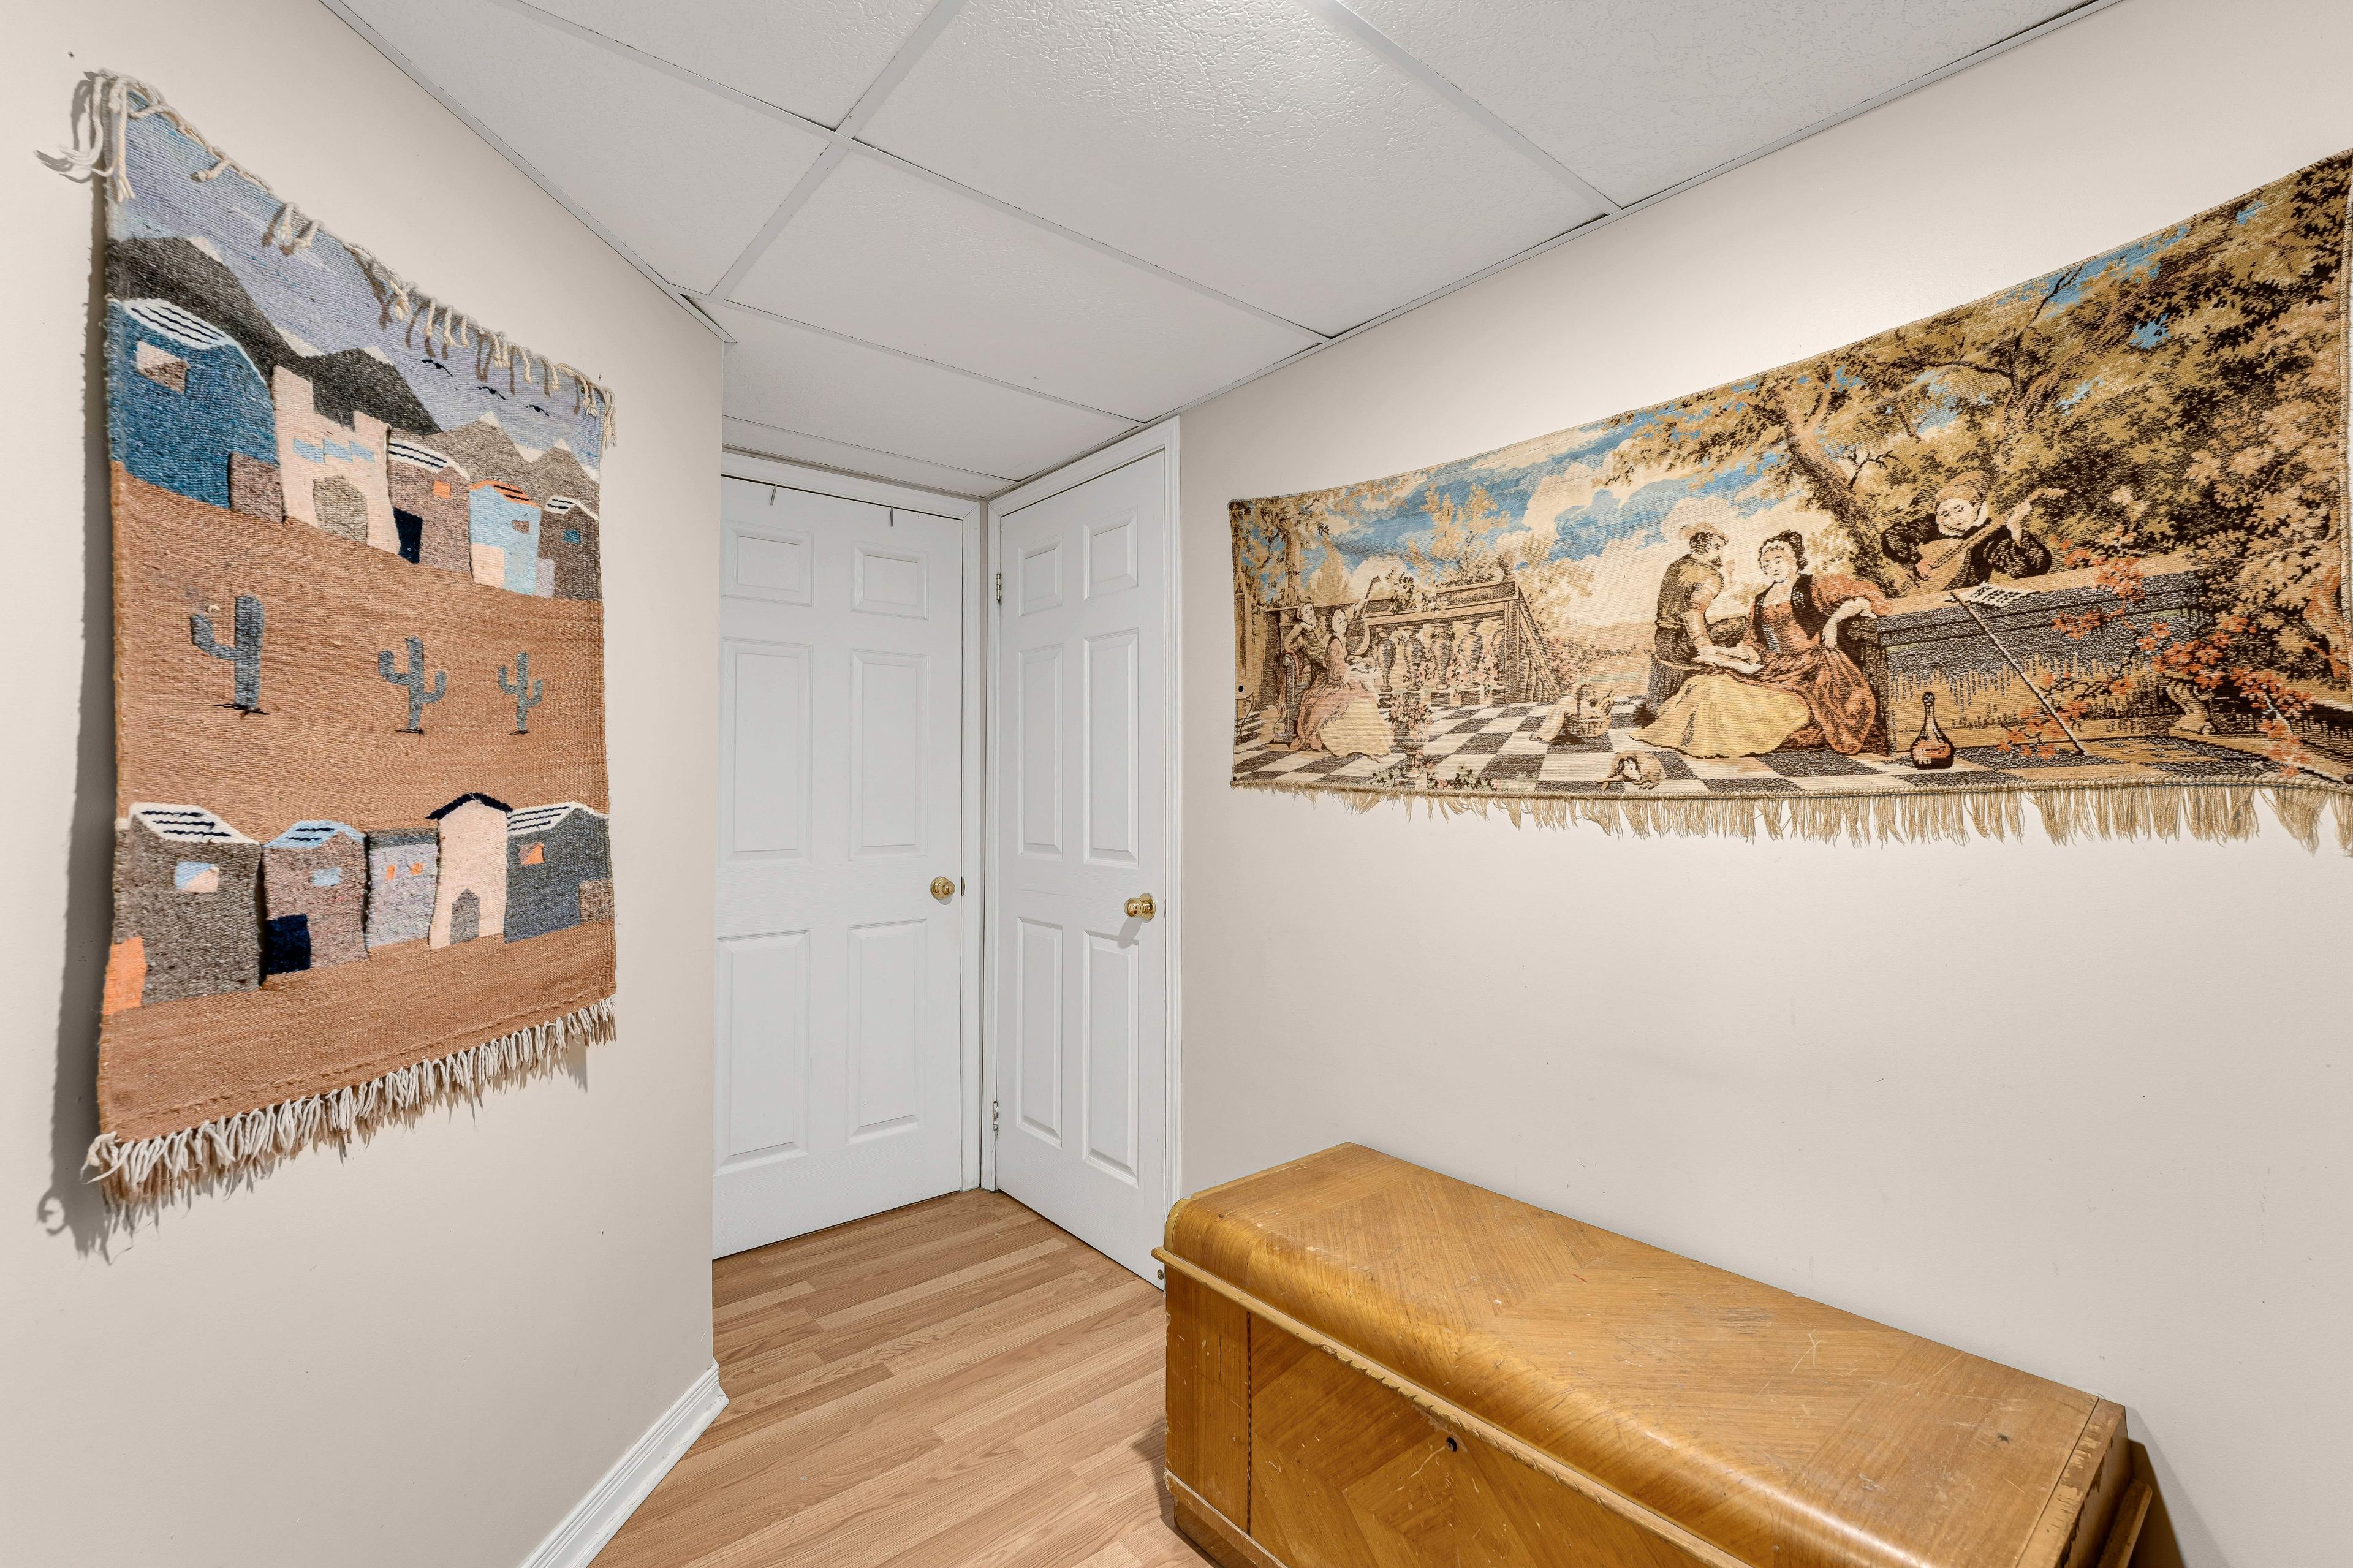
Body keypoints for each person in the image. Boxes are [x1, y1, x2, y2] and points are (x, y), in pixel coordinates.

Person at [1635, 532, 1890, 757]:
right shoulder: (1760, 599)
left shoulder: (1812, 586)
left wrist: (1833, 622)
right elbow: (1754, 645)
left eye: (1779, 560)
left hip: (1811, 671)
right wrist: (1721, 652)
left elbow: (1863, 596)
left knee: (1757, 708)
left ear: (1795, 559)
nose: (1772, 567)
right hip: (1771, 667)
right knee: (1705, 686)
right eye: (1767, 563)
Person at [1878, 472, 2062, 590]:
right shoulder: (1928, 526)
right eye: (1945, 513)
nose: (1953, 518)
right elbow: (1892, 537)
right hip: (1921, 592)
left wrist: (2015, 527)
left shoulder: (1992, 535)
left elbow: (2032, 568)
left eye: (1959, 509)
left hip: (1964, 598)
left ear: (1975, 507)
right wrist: (1917, 560)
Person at [1640, 523, 1731, 721]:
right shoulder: (1712, 575)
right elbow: (1691, 613)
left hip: (1662, 641)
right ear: (1710, 546)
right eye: (1720, 548)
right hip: (1681, 644)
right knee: (1740, 625)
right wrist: (1706, 650)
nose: (1721, 553)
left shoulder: (1677, 566)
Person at [1292, 603, 1389, 756]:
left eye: (1344, 620)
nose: (1343, 624)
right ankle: (1376, 703)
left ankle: (1377, 701)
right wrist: (1354, 668)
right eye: (1339, 621)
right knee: (1361, 687)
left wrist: (1354, 663)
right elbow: (1338, 672)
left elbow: (1342, 662)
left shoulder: (1339, 641)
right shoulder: (1335, 643)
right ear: (1331, 624)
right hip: (1336, 683)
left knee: (1364, 683)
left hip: (1340, 679)